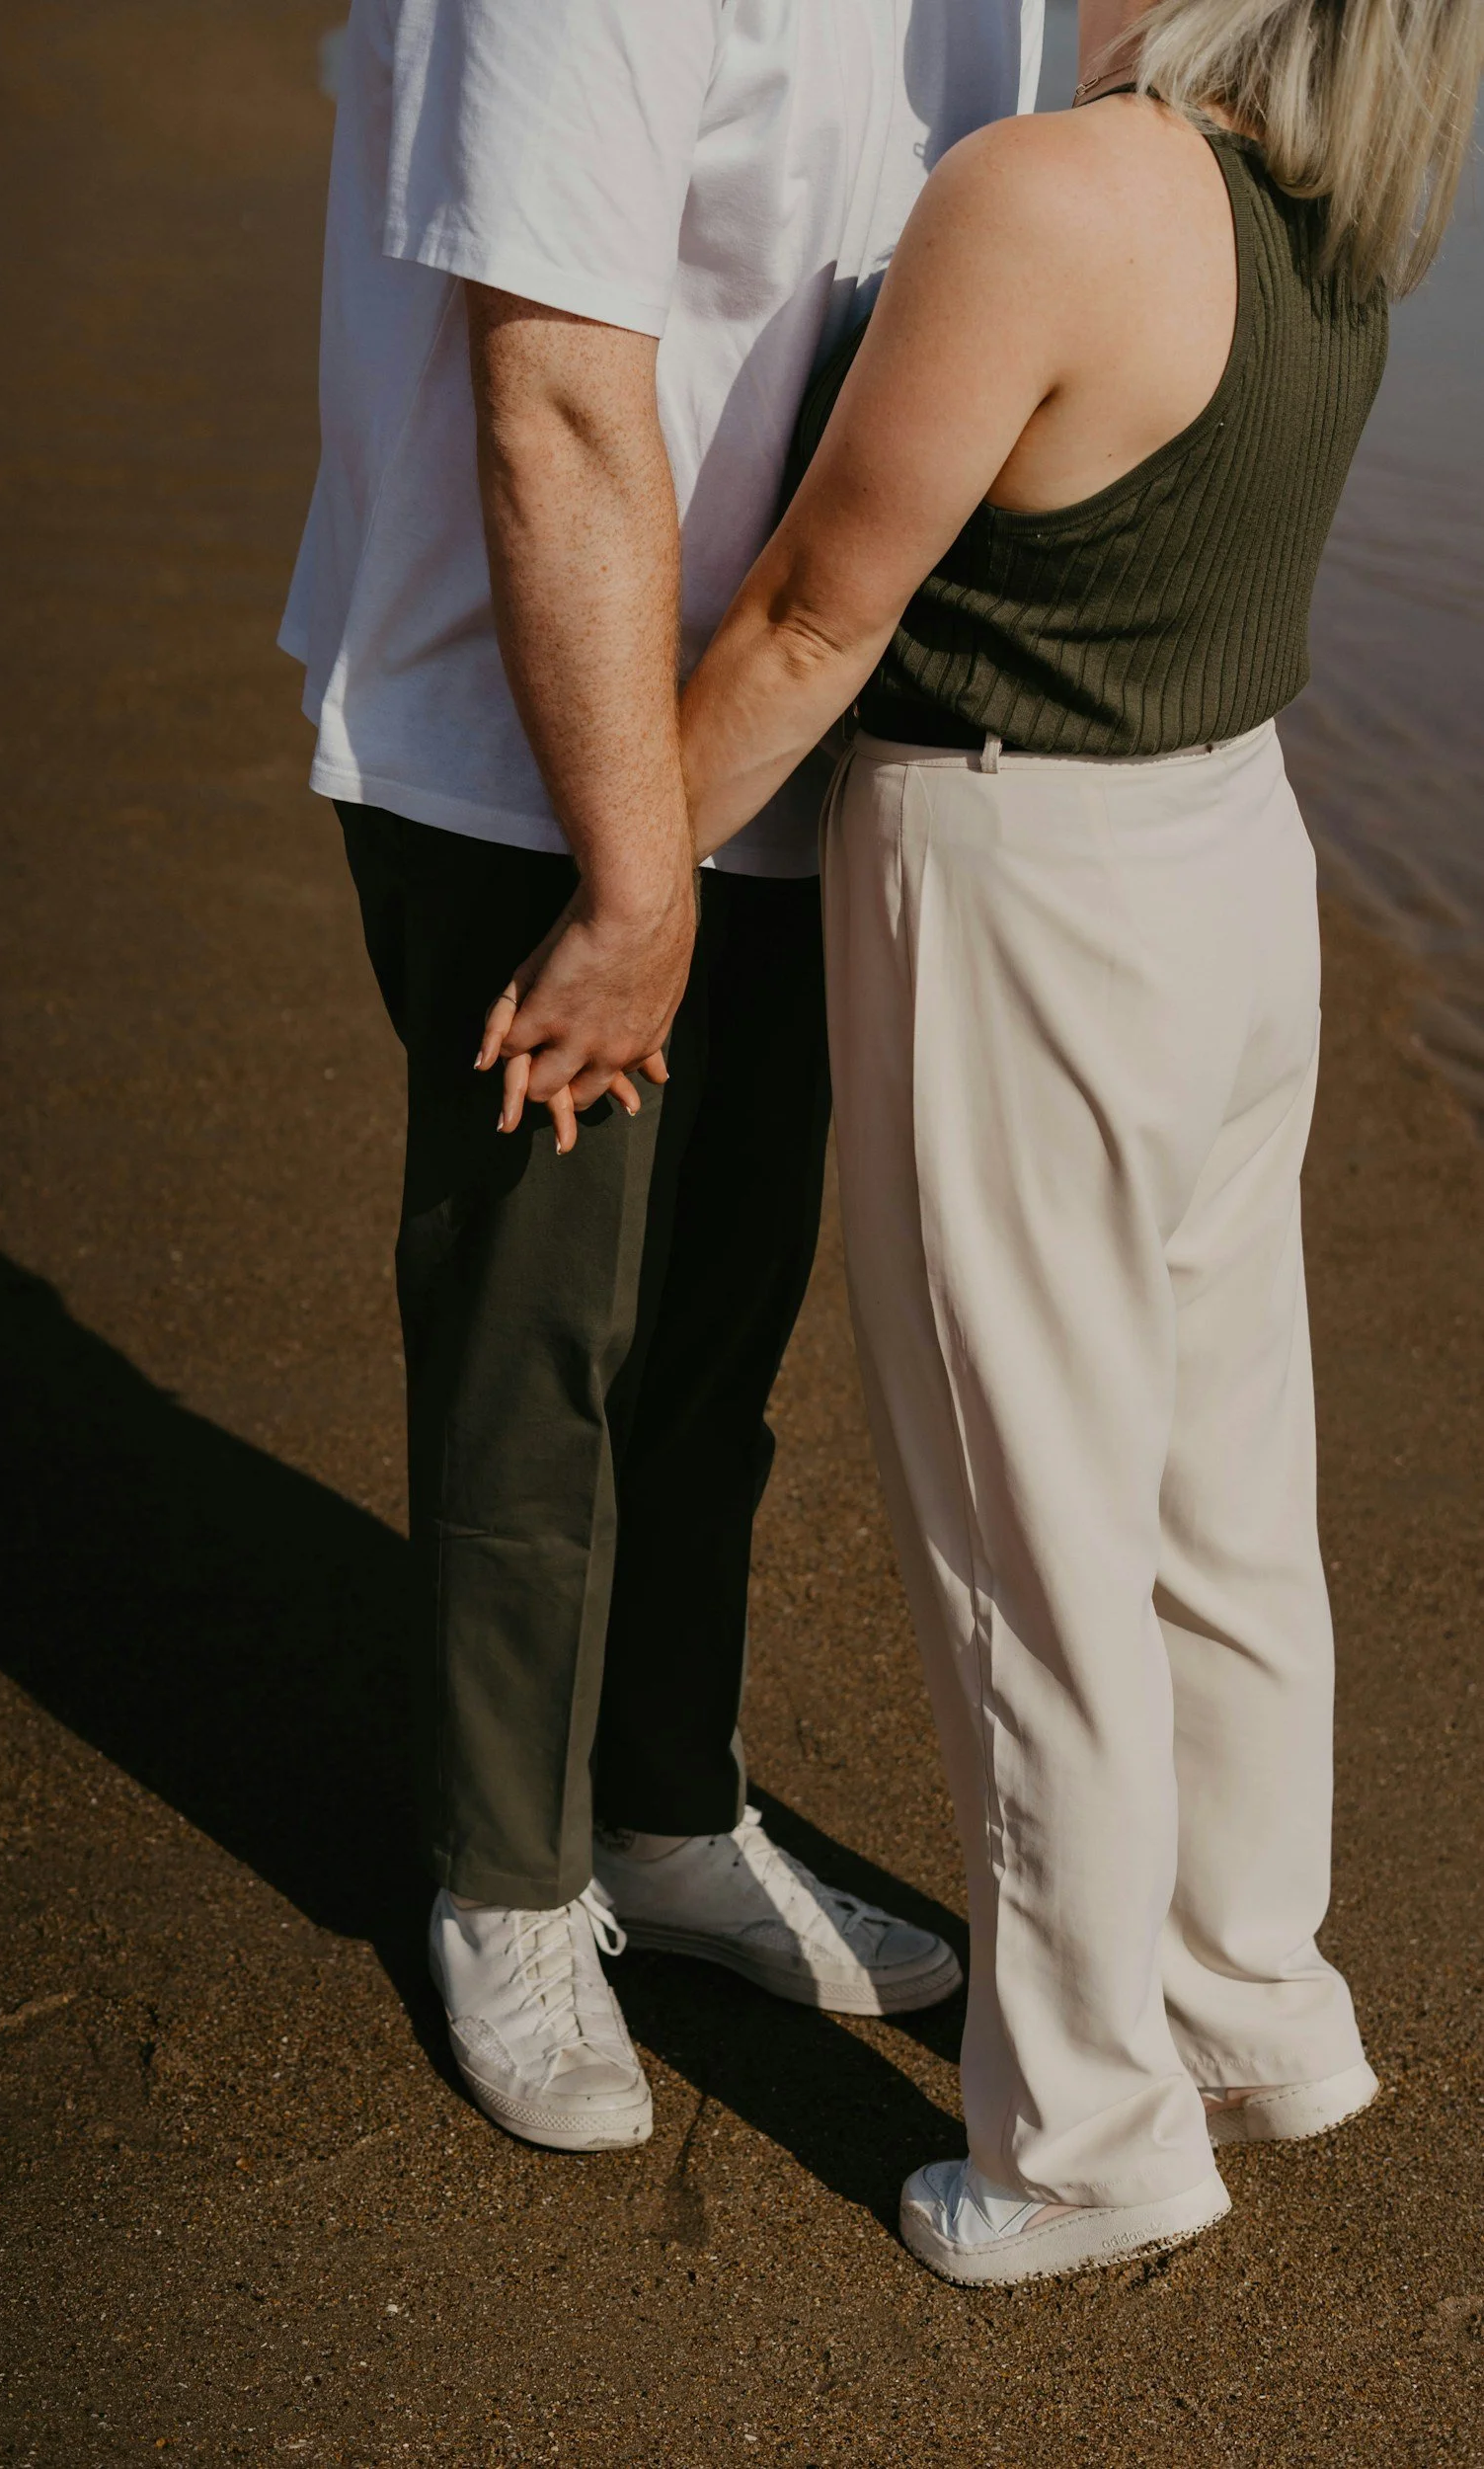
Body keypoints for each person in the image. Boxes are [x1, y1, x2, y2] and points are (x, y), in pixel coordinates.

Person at [589, 0, 1482, 2276]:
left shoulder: (1048, 194)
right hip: (1224, 860)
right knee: (1213, 1495)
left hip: (1026, 887)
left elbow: (808, 612)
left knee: (1026, 1529)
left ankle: (1081, 2142)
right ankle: (1243, 2000)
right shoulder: (1347, 202)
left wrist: (624, 903)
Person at [279, 0, 1043, 2151]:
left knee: (710, 1338)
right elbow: (549, 399)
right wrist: (634, 874)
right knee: (541, 1344)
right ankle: (504, 1876)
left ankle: (658, 1806)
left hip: (786, 733)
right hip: (532, 762)